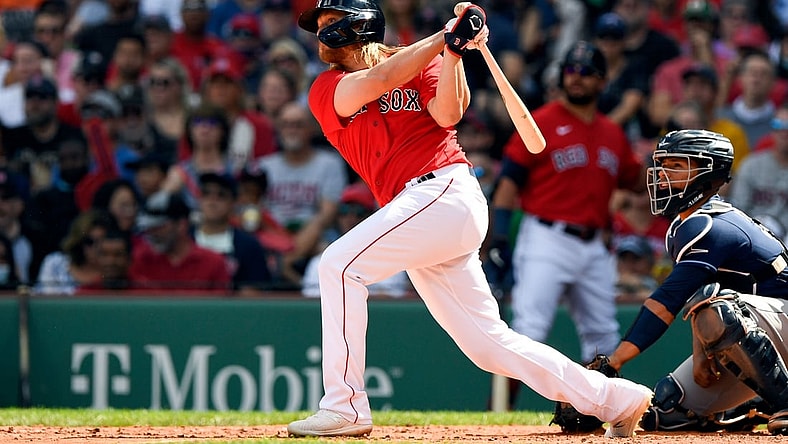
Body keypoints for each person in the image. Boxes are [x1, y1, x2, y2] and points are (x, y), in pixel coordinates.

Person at [286, 1, 652, 438]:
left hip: (442, 190)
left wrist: (454, 53)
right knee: (489, 345)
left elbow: (449, 113)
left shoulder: (421, 63)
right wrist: (446, 36)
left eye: (330, 21)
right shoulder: (326, 87)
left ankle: (344, 406)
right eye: (319, 25)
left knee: (339, 265)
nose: (321, 32)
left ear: (359, 24)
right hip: (421, 212)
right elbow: (380, 79)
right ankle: (619, 399)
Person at [604, 129, 788, 435]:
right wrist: (703, 351)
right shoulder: (686, 223)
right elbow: (702, 295)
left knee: (723, 314)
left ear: (709, 172)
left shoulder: (712, 224)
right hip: (765, 337)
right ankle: (749, 405)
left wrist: (613, 363)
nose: (663, 175)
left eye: (677, 166)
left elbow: (667, 302)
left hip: (782, 320)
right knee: (667, 409)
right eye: (663, 165)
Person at [489, 41, 645, 367]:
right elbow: (507, 184)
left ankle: (593, 414)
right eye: (570, 71)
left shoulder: (612, 133)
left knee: (604, 338)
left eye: (586, 72)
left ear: (602, 81)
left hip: (595, 246)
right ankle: (499, 414)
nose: (576, 78)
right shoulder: (541, 121)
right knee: (528, 331)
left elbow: (635, 181)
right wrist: (500, 237)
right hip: (547, 237)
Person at [254, 101, 348, 288]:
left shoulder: (329, 163)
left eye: (298, 124)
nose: (292, 130)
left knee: (330, 250)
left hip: (314, 238)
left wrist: (293, 252)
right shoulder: (263, 166)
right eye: (286, 124)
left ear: (311, 129)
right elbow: (255, 212)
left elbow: (326, 215)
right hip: (272, 238)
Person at [301, 182, 413, 299]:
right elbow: (312, 301)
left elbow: (390, 300)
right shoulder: (320, 261)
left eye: (359, 211)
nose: (351, 218)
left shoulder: (392, 258)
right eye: (345, 210)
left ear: (372, 215)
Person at [130, 190, 231, 292]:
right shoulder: (139, 259)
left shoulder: (213, 263)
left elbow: (222, 305)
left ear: (181, 225)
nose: (152, 233)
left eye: (159, 227)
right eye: (149, 228)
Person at [193, 172, 273, 295]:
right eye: (206, 194)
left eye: (221, 195)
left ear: (234, 203)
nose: (212, 201)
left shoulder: (249, 246)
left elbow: (253, 294)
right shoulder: (184, 239)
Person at [727, 104, 788, 240]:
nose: (784, 132)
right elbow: (739, 209)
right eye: (779, 125)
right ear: (771, 130)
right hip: (752, 234)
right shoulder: (751, 165)